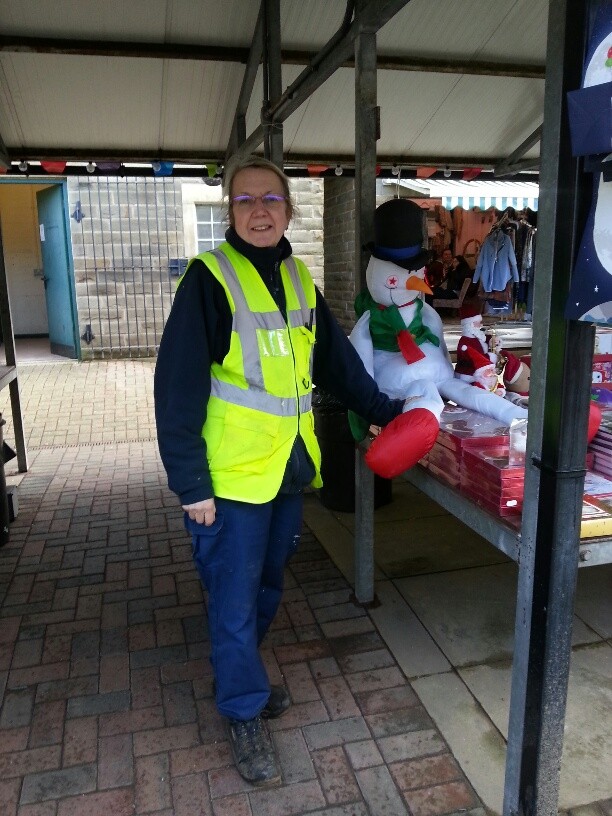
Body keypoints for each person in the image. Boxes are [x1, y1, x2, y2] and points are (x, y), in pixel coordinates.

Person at [154, 155, 405, 787]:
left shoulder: (297, 279)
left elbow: (338, 364)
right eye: (245, 200)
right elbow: (176, 389)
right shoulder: (209, 280)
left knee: (267, 588)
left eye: (271, 199)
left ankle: (240, 673)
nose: (259, 210)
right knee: (234, 602)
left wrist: (385, 412)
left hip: (289, 472)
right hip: (232, 480)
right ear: (229, 212)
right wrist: (191, 484)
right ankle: (242, 708)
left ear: (288, 211)